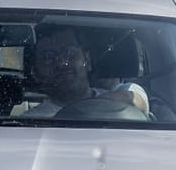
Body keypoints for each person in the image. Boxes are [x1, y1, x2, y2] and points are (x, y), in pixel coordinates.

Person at [16, 24, 148, 119]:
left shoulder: (121, 96)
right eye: (48, 56)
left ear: (87, 61)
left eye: (69, 52)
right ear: (36, 73)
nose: (62, 63)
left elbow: (137, 98)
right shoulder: (30, 122)